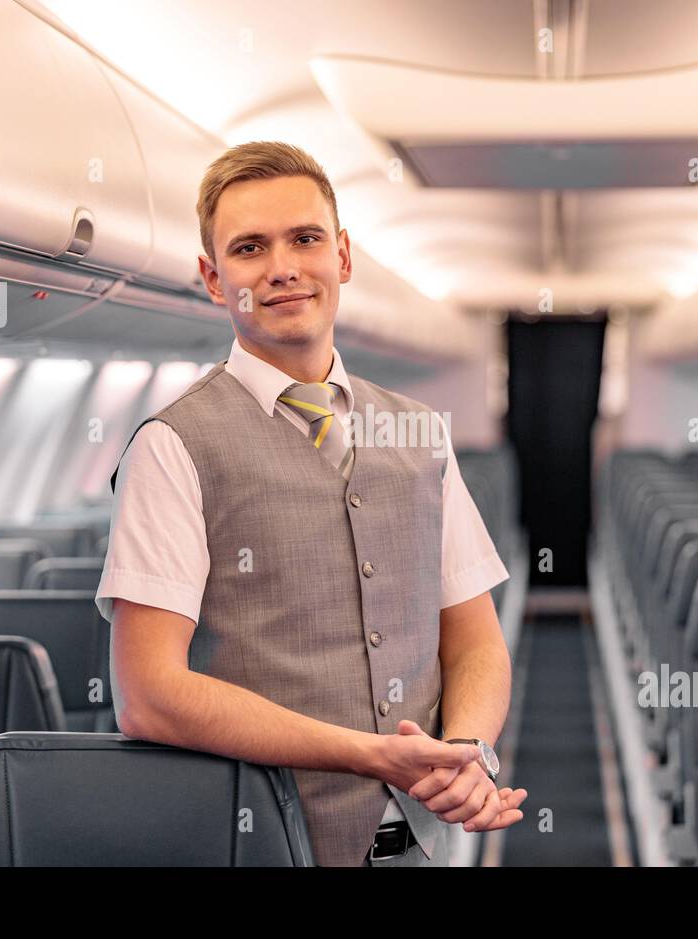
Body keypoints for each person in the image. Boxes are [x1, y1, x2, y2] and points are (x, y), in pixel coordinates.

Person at [96, 141, 526, 866]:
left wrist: (469, 751)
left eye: (305, 238)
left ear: (344, 256)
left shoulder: (419, 433)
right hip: (257, 845)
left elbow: (475, 640)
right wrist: (367, 756)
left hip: (418, 850)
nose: (283, 267)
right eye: (249, 248)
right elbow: (150, 695)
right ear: (212, 278)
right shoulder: (174, 445)